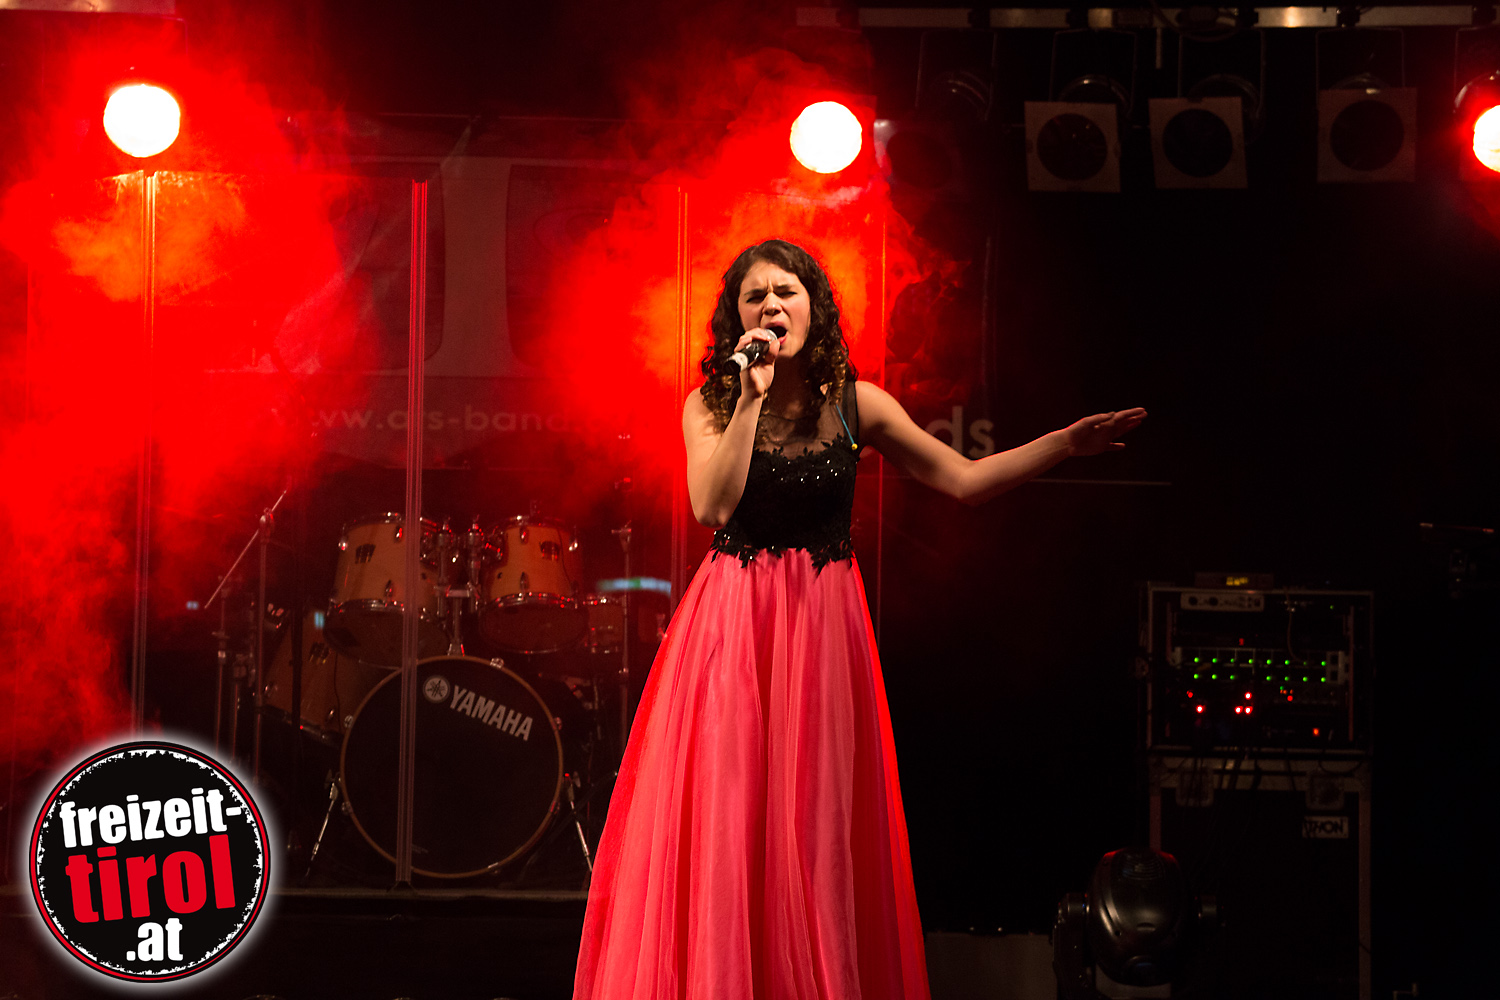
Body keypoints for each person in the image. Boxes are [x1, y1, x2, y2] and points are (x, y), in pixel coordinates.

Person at [573, 239, 1146, 1000]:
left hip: (822, 628)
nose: (771, 306)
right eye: (755, 296)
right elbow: (711, 506)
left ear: (814, 307)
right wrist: (749, 398)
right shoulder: (709, 403)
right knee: (730, 814)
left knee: (814, 824)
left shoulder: (856, 403)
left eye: (786, 292)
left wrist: (1064, 445)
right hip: (734, 626)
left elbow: (965, 481)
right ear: (735, 318)